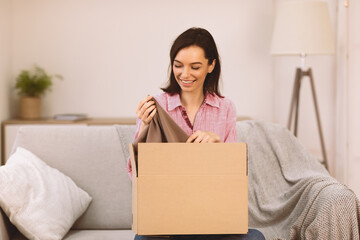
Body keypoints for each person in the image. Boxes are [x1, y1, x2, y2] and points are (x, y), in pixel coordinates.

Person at [130, 27, 265, 240]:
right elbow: (134, 172)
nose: (185, 74)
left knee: (255, 237)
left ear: (211, 65)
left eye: (195, 67)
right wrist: (146, 127)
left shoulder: (225, 108)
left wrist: (218, 144)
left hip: (211, 218)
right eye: (178, 65)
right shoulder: (156, 107)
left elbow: (236, 176)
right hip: (167, 221)